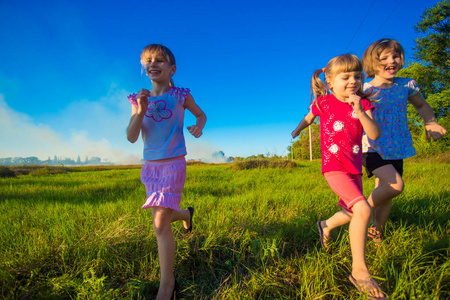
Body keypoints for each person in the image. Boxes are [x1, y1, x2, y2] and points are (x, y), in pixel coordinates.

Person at [292, 54, 388, 299]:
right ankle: (360, 272)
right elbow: (309, 117)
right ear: (331, 81)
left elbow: (374, 134)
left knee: (352, 212)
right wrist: (297, 129)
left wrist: (359, 110)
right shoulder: (324, 102)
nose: (353, 81)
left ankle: (324, 225)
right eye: (345, 77)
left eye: (357, 76)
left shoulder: (364, 104)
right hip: (333, 167)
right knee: (364, 210)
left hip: (354, 168)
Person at [127, 44, 206, 300]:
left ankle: (167, 286)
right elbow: (131, 137)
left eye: (160, 60)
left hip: (173, 164)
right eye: (148, 60)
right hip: (150, 167)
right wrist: (140, 109)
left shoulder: (181, 95)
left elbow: (201, 115)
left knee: (159, 223)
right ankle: (186, 214)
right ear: (143, 68)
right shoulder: (137, 99)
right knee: (164, 217)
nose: (153, 64)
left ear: (172, 69)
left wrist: (198, 126)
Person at [361, 39, 447, 242]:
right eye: (384, 58)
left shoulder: (406, 85)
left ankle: (377, 231)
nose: (392, 61)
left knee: (386, 192)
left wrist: (430, 122)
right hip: (372, 146)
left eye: (396, 56)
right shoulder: (364, 88)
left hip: (397, 146)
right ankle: (359, 209)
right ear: (372, 63)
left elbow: (422, 106)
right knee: (395, 186)